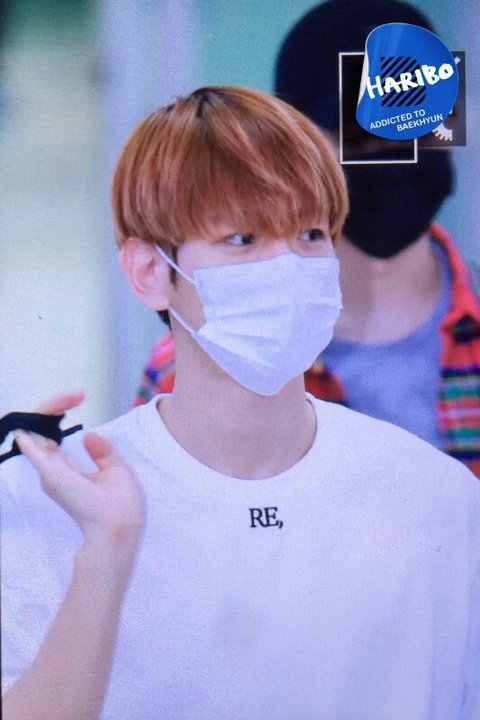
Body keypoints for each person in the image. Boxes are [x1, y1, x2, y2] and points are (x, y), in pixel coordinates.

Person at [1, 86, 479, 720]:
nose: (288, 265)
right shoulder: (45, 502)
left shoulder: (441, 500)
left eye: (311, 233)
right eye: (242, 238)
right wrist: (105, 554)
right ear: (150, 271)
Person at [135, 0, 480, 478]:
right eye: (362, 129)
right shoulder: (202, 359)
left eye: (421, 120)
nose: (399, 150)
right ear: (294, 147)